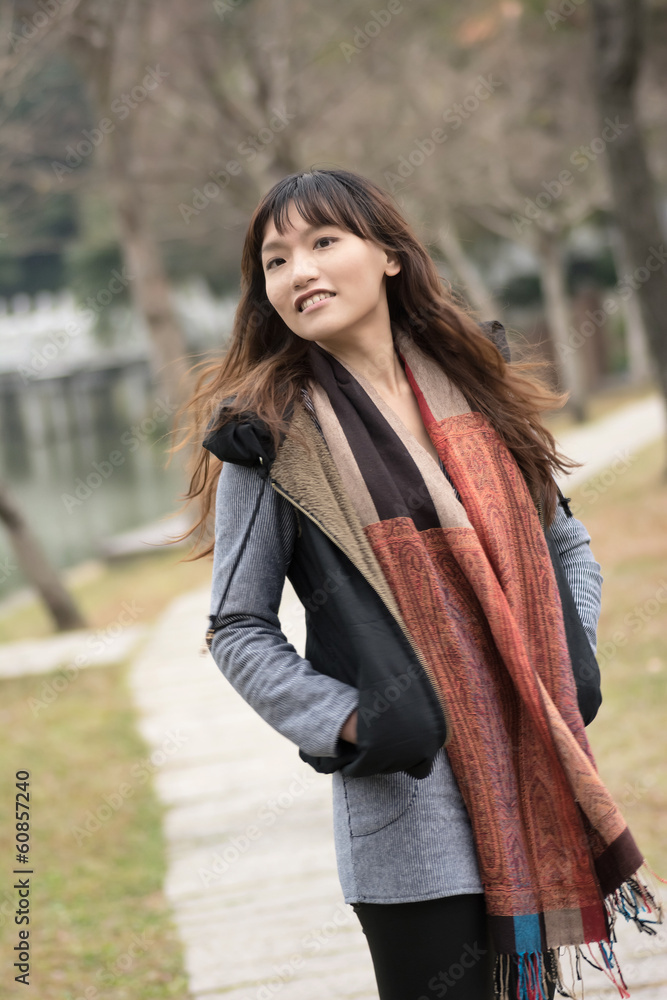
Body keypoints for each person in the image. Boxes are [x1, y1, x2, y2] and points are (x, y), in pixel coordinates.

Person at [175, 168, 663, 1000]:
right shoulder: (268, 435)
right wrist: (358, 721)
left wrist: (564, 653)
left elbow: (567, 550)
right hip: (408, 806)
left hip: (533, 768)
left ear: (390, 256)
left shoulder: (480, 388)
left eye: (324, 242)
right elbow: (237, 626)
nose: (300, 272)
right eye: (275, 260)